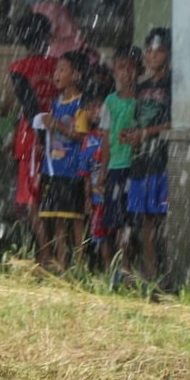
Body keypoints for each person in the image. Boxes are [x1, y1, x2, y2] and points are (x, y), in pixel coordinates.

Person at [122, 27, 171, 281]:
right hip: (141, 159)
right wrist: (132, 134)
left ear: (169, 54)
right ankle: (150, 272)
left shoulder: (172, 85)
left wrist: (145, 133)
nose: (152, 56)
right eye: (149, 51)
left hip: (161, 159)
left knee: (161, 216)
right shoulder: (141, 88)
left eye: (159, 51)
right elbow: (140, 120)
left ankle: (167, 271)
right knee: (145, 220)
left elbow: (174, 122)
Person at [8, 11, 57, 259]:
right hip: (59, 135)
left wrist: (37, 136)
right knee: (51, 195)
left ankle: (45, 252)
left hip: (32, 140)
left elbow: (28, 107)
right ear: (47, 37)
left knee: (32, 200)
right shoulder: (58, 66)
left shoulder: (19, 68)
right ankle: (58, 253)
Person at [38, 50, 90, 271]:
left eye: (62, 69)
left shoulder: (81, 104)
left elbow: (82, 135)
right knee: (58, 217)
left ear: (76, 75)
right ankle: (61, 261)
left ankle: (79, 264)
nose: (56, 73)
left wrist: (58, 125)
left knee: (75, 218)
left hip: (72, 168)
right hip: (54, 167)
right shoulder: (56, 102)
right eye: (56, 69)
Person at [100, 45, 141, 274]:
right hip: (116, 165)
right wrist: (103, 170)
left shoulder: (141, 99)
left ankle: (128, 265)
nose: (126, 73)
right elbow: (106, 137)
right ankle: (118, 266)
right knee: (115, 220)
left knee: (131, 220)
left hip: (136, 166)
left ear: (139, 70)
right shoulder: (110, 102)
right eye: (121, 68)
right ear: (114, 72)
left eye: (131, 68)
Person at [78, 65, 114, 269]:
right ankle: (108, 268)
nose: (95, 112)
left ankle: (122, 267)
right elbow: (84, 173)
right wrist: (87, 198)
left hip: (113, 191)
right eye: (90, 108)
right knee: (99, 233)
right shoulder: (88, 140)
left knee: (116, 231)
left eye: (98, 106)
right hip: (96, 196)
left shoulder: (112, 135)